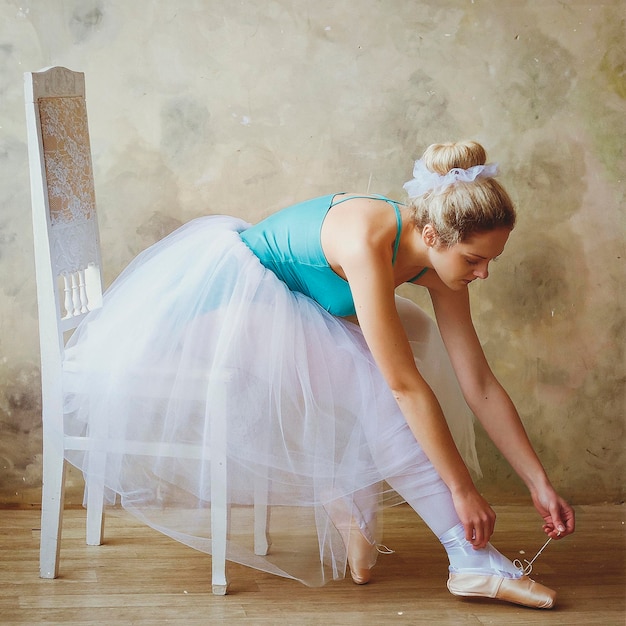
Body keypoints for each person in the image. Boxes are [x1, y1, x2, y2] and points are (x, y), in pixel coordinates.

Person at [63, 140, 575, 608]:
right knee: (381, 386)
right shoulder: (367, 242)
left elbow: (479, 384)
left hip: (295, 306)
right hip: (221, 313)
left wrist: (539, 481)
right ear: (430, 234)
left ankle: (350, 499)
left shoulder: (443, 263)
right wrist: (462, 489)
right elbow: (401, 386)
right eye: (474, 259)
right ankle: (470, 560)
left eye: (491, 260)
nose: (483, 273)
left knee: (414, 339)